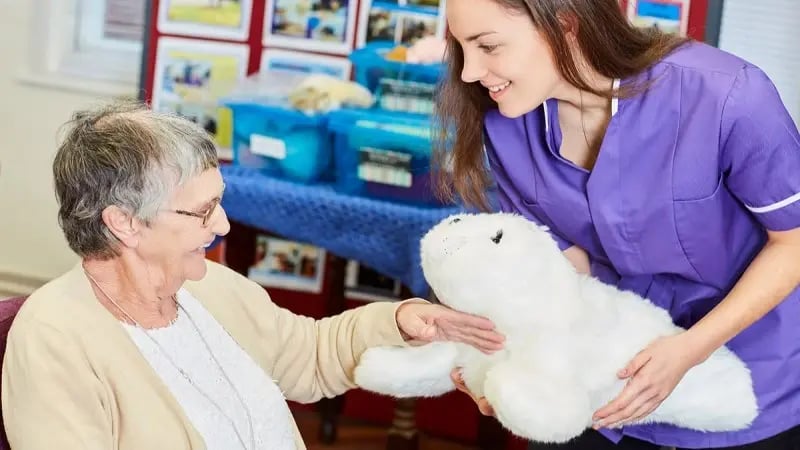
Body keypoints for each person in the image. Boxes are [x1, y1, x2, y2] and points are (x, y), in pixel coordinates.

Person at [0, 100, 505, 450]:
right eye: (201, 212)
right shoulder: (55, 339)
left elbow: (309, 354)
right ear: (123, 223)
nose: (221, 225)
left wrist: (402, 319)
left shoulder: (206, 286)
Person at [434, 0, 800, 449]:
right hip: (607, 380)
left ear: (564, 24)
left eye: (488, 46)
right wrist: (506, 361)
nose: (469, 72)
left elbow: (793, 242)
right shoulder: (508, 125)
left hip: (746, 377)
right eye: (461, 50)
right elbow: (563, 276)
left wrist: (692, 348)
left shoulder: (726, 96)